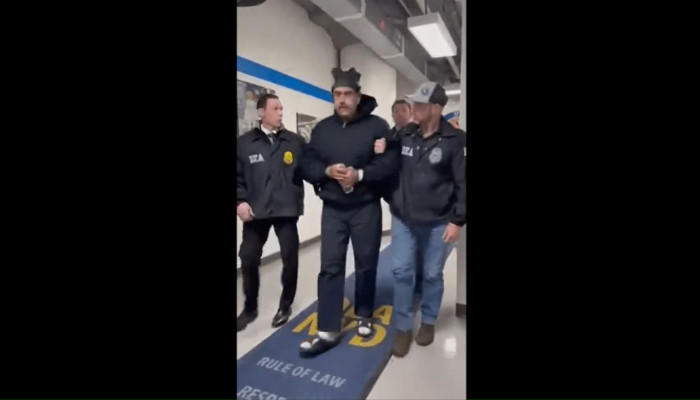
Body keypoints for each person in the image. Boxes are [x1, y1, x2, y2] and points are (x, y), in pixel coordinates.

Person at [298, 67, 399, 357]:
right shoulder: (322, 129)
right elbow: (307, 163)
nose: (341, 100)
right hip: (333, 208)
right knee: (330, 267)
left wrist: (361, 174)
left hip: (365, 207)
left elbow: (389, 163)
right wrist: (327, 171)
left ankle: (364, 313)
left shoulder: (377, 127)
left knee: (366, 264)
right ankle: (327, 330)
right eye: (337, 95)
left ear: (357, 97)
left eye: (347, 94)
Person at [380, 82, 466, 357]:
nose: (414, 107)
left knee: (431, 274)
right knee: (402, 272)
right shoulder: (405, 135)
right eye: (414, 102)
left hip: (439, 221)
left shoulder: (455, 140)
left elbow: (463, 183)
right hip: (404, 219)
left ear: (437, 108)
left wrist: (457, 221)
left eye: (420, 103)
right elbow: (387, 166)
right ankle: (404, 327)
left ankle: (428, 321)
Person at [236, 94, 305, 332]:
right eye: (275, 108)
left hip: (286, 210)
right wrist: (240, 202)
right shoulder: (244, 143)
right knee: (248, 257)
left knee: (290, 258)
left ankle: (285, 305)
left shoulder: (295, 141)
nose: (281, 112)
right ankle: (250, 308)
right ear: (261, 112)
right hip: (257, 210)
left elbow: (312, 167)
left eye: (282, 108)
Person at [389, 99, 423, 299]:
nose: (399, 113)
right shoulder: (388, 137)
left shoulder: (420, 134)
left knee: (420, 249)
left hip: (422, 204)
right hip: (398, 204)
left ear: (410, 113)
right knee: (402, 253)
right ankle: (404, 289)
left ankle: (420, 283)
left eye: (403, 110)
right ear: (392, 114)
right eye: (396, 111)